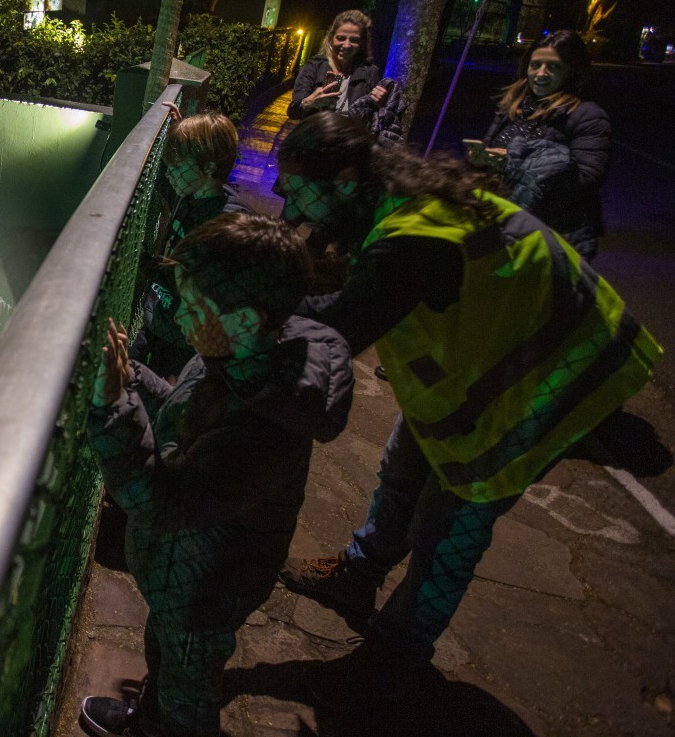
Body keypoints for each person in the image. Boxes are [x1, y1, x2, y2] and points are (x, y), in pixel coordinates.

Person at [271, 112, 660, 679]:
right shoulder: (396, 200)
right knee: (404, 467)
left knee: (449, 525)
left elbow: (339, 329)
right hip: (491, 362)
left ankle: (399, 652)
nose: (291, 204)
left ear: (348, 181)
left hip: (552, 370)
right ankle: (359, 573)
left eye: (299, 190)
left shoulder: (408, 240)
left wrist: (255, 296)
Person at [80, 213, 354, 736]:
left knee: (190, 691)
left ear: (248, 320)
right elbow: (184, 417)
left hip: (206, 587)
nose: (180, 315)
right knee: (165, 651)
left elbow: (161, 502)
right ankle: (150, 722)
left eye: (194, 305)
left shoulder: (264, 430)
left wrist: (114, 408)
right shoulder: (239, 362)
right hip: (186, 576)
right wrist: (135, 378)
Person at [468, 29, 610, 260]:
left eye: (553, 67)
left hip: (558, 234)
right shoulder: (513, 106)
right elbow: (490, 149)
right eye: (535, 65)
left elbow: (587, 177)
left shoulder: (586, 115)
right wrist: (482, 160)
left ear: (571, 72)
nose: (540, 74)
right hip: (508, 225)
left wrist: (515, 161)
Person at [129, 111, 248, 381]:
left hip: (185, 336)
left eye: (178, 165)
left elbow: (193, 281)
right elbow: (162, 178)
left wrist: (142, 261)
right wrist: (172, 134)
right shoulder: (191, 192)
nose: (170, 172)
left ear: (207, 167)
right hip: (159, 318)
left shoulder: (225, 224)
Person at [288, 9, 405, 142]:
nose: (347, 45)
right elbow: (293, 112)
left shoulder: (369, 72)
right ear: (331, 37)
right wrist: (308, 102)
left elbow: (371, 116)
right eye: (341, 38)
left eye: (354, 40)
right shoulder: (314, 66)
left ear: (361, 43)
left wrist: (380, 103)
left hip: (349, 146)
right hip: (314, 142)